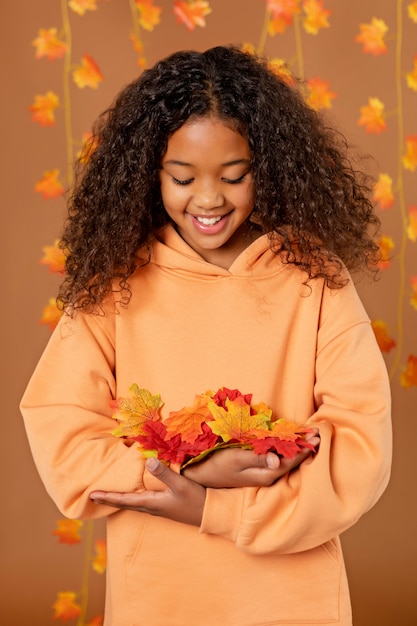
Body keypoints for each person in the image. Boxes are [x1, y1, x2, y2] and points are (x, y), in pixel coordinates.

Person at [21, 45, 392, 626]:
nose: (210, 198)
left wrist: (217, 510)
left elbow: (360, 445)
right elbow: (62, 430)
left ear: (266, 167)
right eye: (182, 177)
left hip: (293, 598)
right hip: (162, 594)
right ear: (149, 173)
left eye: (234, 175)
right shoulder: (116, 284)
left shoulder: (316, 278)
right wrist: (186, 473)